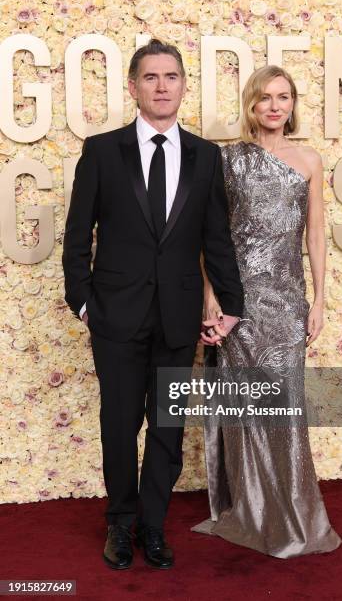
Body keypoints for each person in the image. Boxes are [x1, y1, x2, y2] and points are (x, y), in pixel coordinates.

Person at [62, 39, 243, 570]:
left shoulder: (206, 156)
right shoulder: (101, 150)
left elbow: (218, 238)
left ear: (184, 85)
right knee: (118, 423)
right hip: (114, 316)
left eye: (171, 77)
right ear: (134, 86)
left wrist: (229, 305)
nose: (162, 86)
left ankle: (153, 526)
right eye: (151, 77)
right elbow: (77, 237)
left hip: (179, 317)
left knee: (167, 426)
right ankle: (119, 523)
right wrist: (83, 303)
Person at [193, 65, 342, 558]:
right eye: (264, 98)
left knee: (284, 406)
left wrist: (319, 299)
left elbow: (315, 233)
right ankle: (253, 509)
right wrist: (211, 298)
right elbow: (211, 237)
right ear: (250, 105)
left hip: (285, 300)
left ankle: (294, 513)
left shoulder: (309, 160)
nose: (274, 106)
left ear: (293, 104)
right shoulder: (227, 160)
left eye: (283, 97)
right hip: (238, 302)